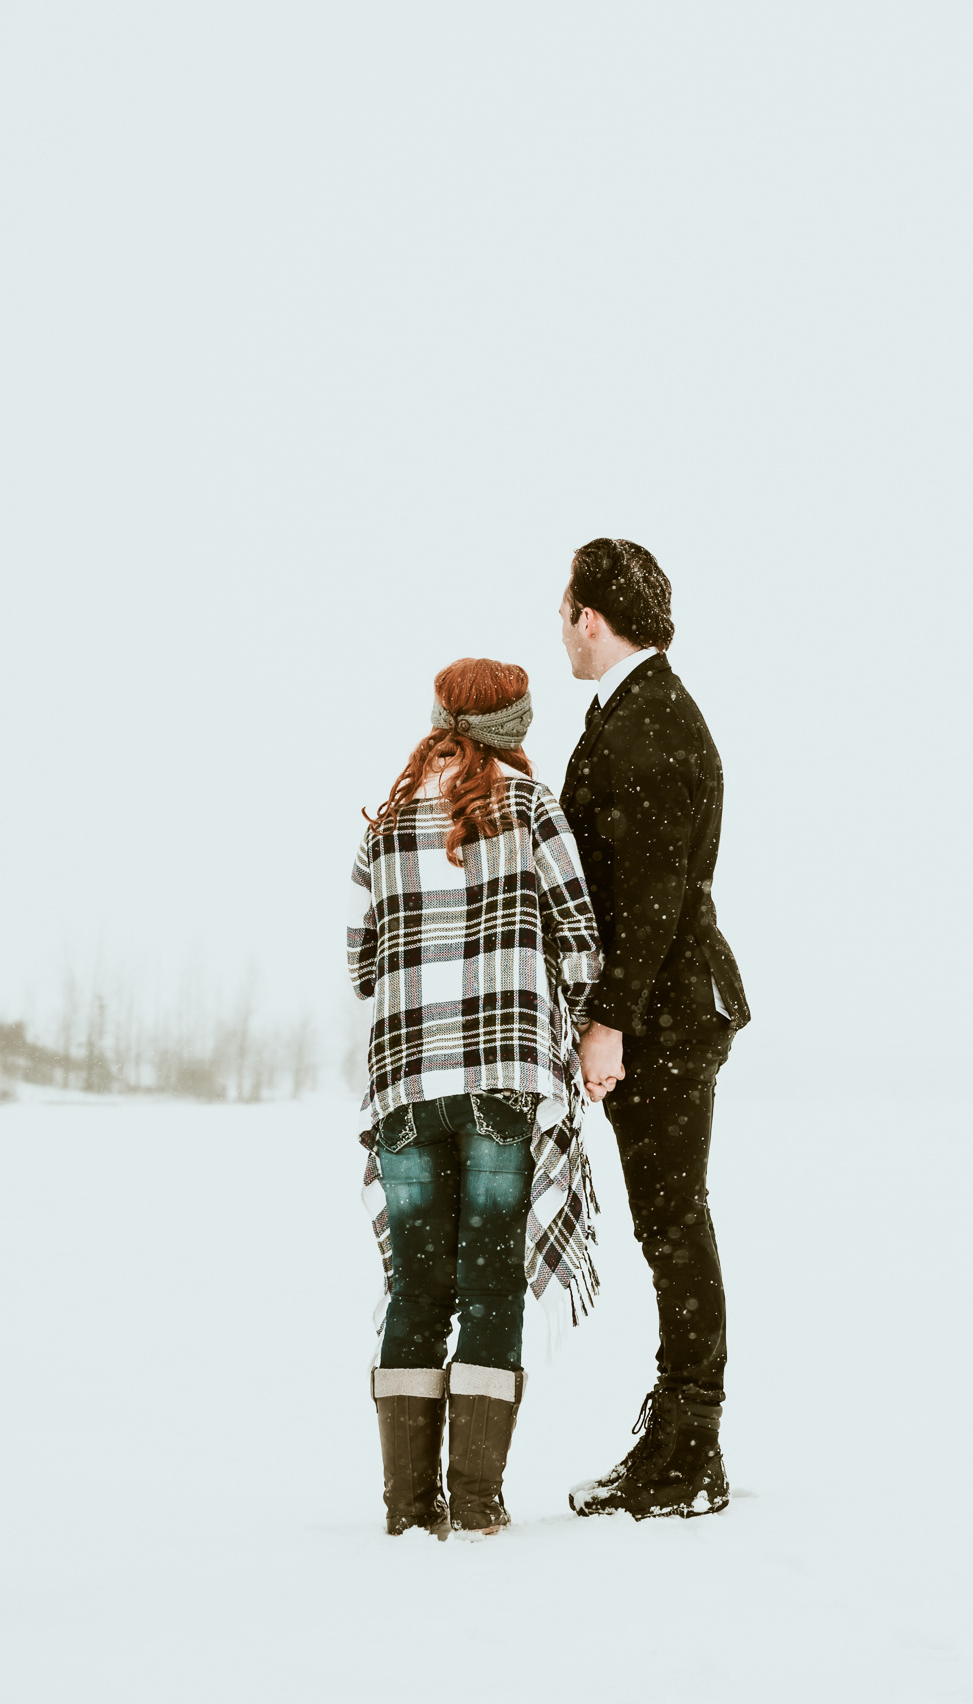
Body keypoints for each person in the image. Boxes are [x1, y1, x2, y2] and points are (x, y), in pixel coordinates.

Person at [347, 658, 602, 1538]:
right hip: (503, 1077)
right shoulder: (530, 808)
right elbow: (578, 937)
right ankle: (479, 1500)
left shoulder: (385, 825)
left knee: (416, 1289)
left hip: (406, 1084)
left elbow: (360, 961)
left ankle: (408, 1509)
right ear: (516, 726)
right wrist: (572, 1016)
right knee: (490, 1282)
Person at [558, 538, 750, 1520]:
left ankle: (686, 1455)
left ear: (590, 616)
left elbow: (652, 898)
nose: (560, 631)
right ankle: (679, 1440)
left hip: (667, 1015)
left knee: (673, 1226)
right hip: (662, 1011)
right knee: (667, 1224)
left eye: (563, 613)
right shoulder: (631, 711)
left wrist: (609, 1022)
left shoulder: (652, 724)